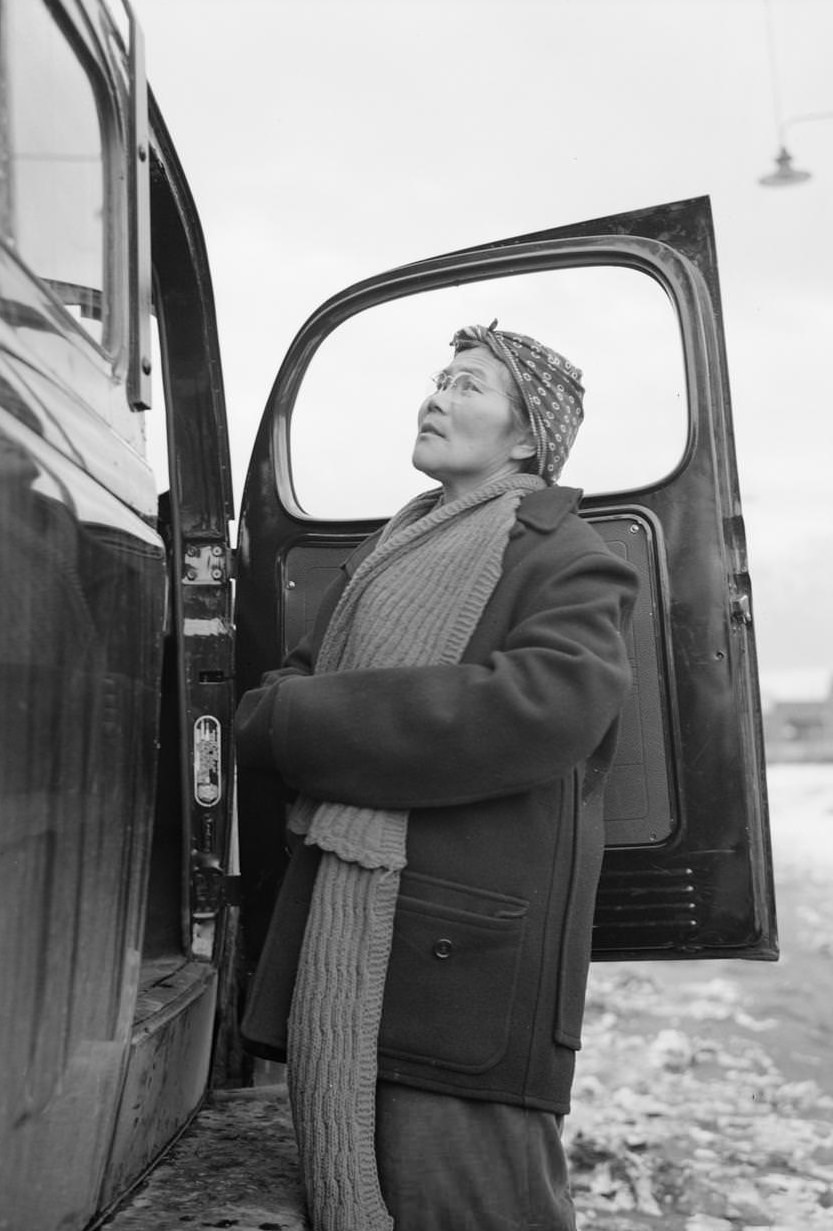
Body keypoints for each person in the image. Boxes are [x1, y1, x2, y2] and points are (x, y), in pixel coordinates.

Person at [235, 321, 639, 1231]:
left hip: (458, 961)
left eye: (466, 386)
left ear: (527, 435)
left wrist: (298, 724)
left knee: (475, 1204)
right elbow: (290, 677)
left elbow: (540, 711)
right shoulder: (394, 548)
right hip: (360, 940)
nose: (434, 397)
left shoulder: (566, 555)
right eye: (435, 380)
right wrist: (291, 711)